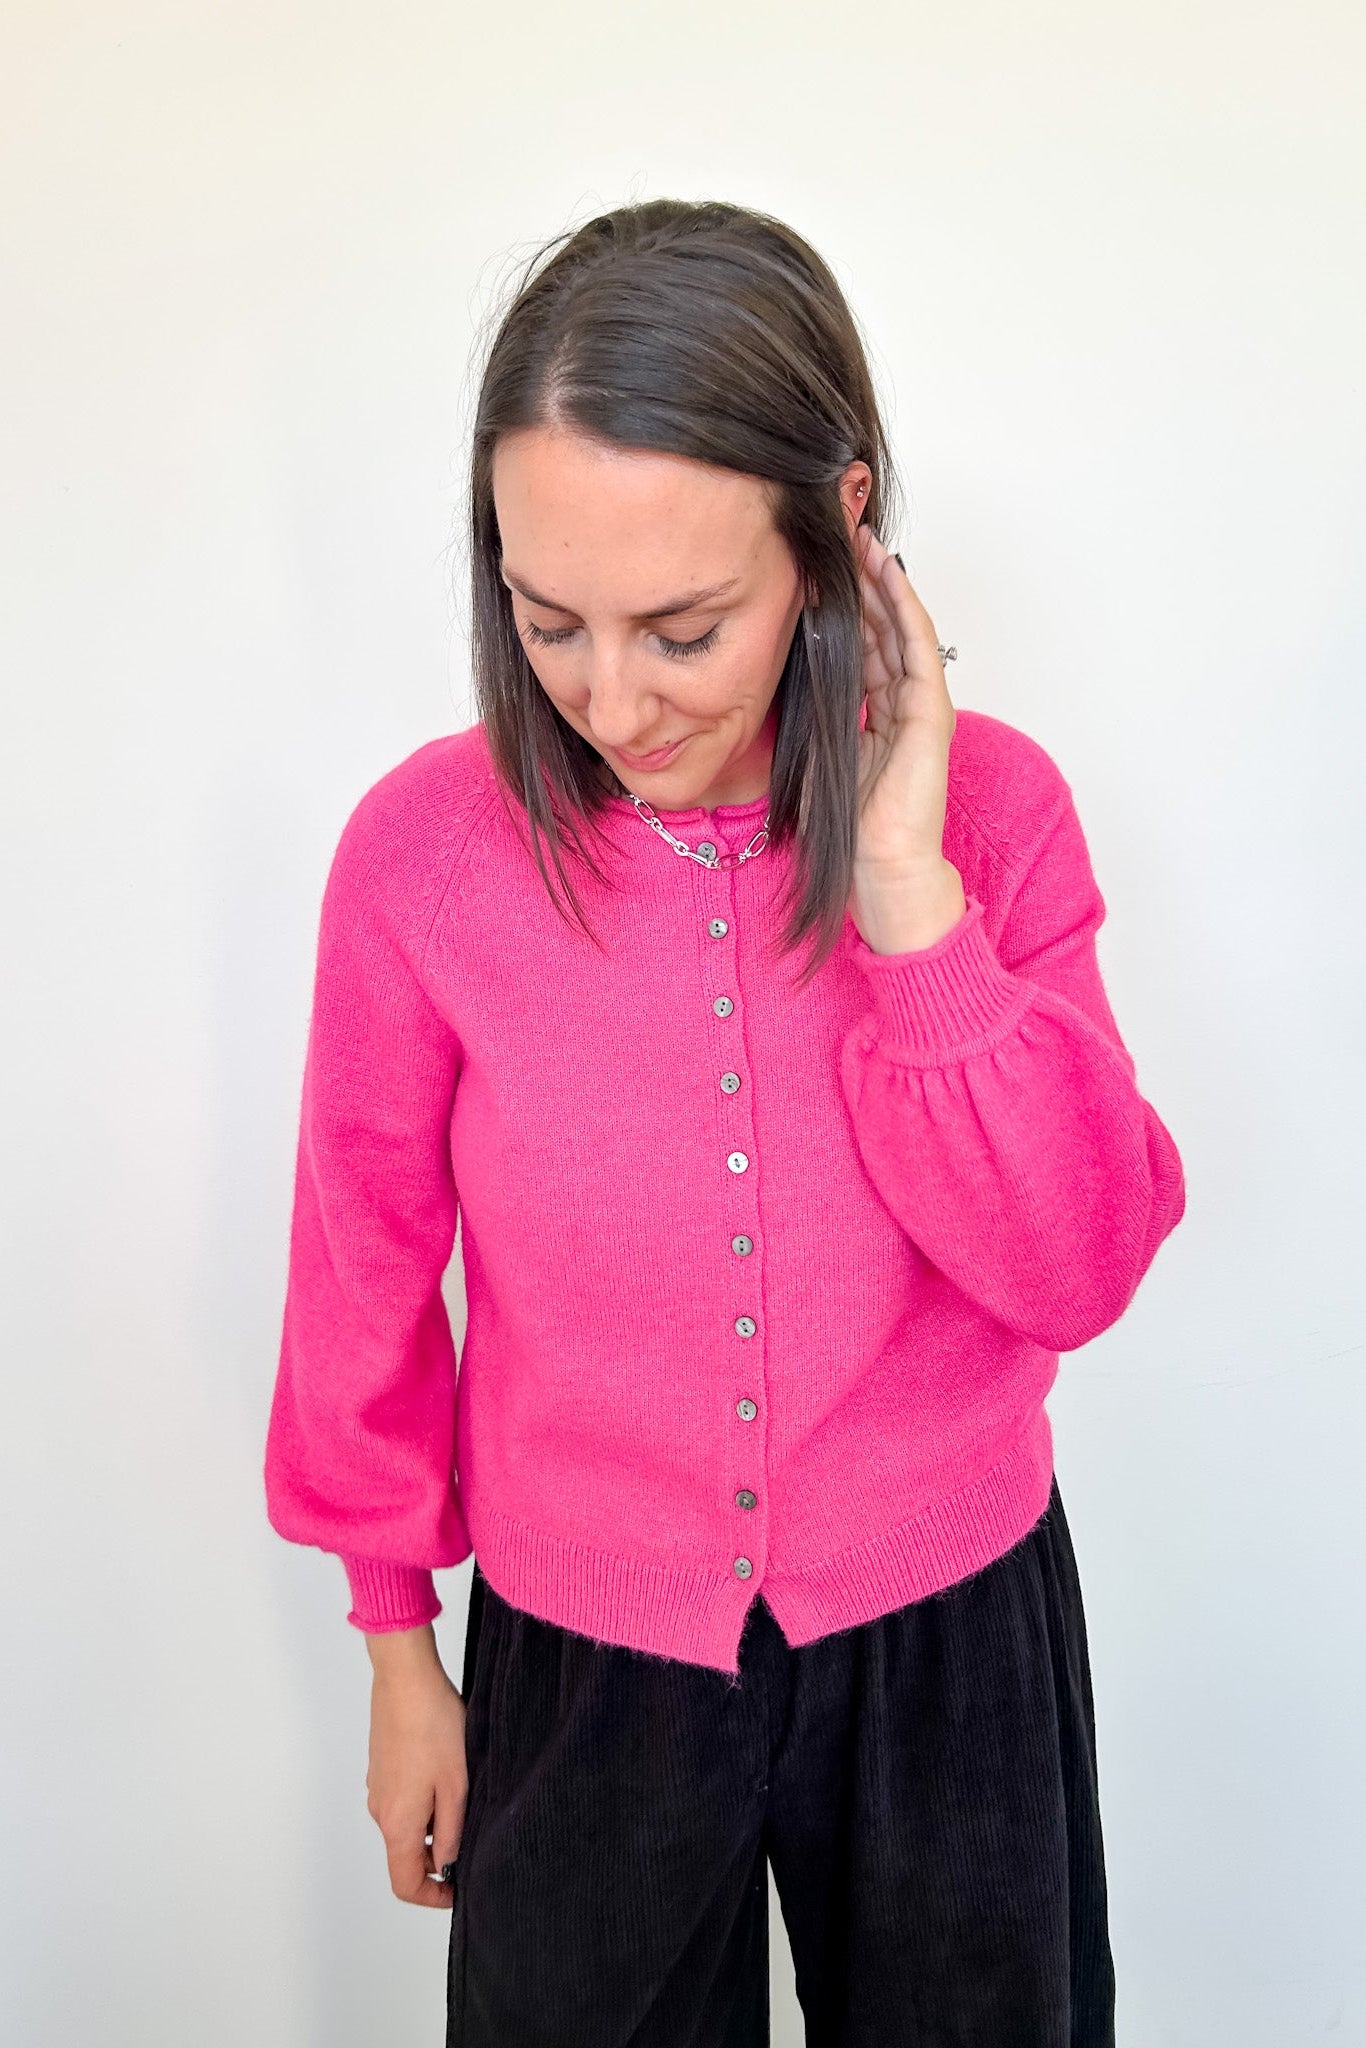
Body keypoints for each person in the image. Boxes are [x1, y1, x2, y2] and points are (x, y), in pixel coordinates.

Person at [263, 198, 1186, 2047]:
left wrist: (908, 901)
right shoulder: (424, 857)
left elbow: (1077, 1266)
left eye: (682, 629)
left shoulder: (991, 817)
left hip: (950, 1643)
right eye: (548, 622)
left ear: (836, 530)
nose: (609, 698)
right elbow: (363, 1259)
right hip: (579, 1655)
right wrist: (396, 1646)